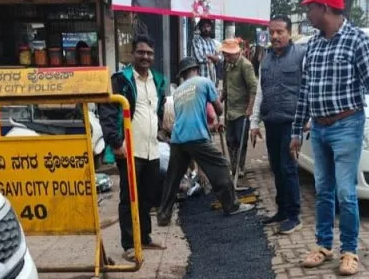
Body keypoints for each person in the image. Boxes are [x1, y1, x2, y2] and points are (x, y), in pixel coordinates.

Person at [289, 0, 369, 277]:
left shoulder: (357, 40)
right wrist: (297, 132)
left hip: (347, 125)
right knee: (323, 190)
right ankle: (323, 245)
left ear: (325, 7)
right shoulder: (314, 45)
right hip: (319, 129)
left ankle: (350, 250)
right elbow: (305, 91)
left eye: (310, 8)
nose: (307, 14)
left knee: (346, 192)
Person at [157, 56, 256, 225]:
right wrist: (217, 114)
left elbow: (187, 117)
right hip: (196, 137)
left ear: (182, 75)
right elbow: (218, 108)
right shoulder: (204, 82)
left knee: (173, 178)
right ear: (197, 69)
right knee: (221, 166)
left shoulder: (179, 91)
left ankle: (163, 215)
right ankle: (231, 205)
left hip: (177, 139)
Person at [99, 35, 169, 262]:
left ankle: (145, 237)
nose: (145, 57)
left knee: (148, 196)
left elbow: (156, 110)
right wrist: (116, 142)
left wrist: (159, 131)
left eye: (149, 53)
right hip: (129, 149)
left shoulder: (157, 80)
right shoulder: (120, 80)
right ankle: (129, 244)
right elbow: (108, 111)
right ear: (132, 54)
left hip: (151, 148)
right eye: (141, 52)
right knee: (129, 197)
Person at [250, 15, 305, 235]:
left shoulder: (301, 55)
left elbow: (307, 89)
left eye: (280, 32)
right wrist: (254, 122)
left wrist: (305, 121)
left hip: (291, 122)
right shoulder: (266, 59)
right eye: (271, 32)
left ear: (289, 33)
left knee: (288, 168)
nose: (275, 36)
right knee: (276, 168)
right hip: (271, 122)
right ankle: (282, 210)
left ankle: (294, 215)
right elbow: (260, 92)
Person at [219, 38, 257, 181]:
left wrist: (250, 108)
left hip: (242, 111)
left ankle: (240, 168)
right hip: (230, 111)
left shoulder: (245, 65)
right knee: (230, 140)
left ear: (236, 52)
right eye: (225, 54)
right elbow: (225, 88)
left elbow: (253, 87)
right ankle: (233, 167)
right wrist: (219, 100)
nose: (226, 57)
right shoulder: (227, 65)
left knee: (241, 140)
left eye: (228, 54)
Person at [192, 19, 221, 84]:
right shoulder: (196, 41)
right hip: (200, 78)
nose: (206, 29)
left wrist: (209, 56)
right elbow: (199, 58)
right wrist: (214, 58)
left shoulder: (213, 42)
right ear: (200, 28)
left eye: (208, 26)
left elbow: (220, 58)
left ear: (211, 28)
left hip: (212, 78)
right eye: (204, 27)